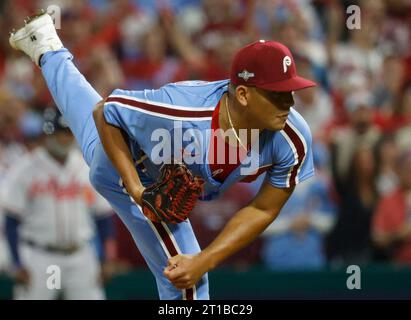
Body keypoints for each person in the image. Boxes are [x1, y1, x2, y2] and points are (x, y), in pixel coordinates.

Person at [9, 12, 315, 300]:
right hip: (131, 168)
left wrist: (206, 258)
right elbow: (107, 112)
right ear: (244, 95)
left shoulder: (292, 136)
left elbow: (262, 209)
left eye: (290, 90)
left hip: (133, 151)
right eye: (277, 94)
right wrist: (138, 191)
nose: (288, 101)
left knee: (82, 113)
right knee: (186, 278)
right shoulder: (181, 110)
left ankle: (46, 46)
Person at [1, 109, 115, 300]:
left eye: (68, 133)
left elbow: (102, 217)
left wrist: (107, 258)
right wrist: (17, 264)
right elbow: (12, 220)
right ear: (47, 135)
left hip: (80, 255)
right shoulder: (25, 168)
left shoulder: (85, 166)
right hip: (40, 257)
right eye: (59, 133)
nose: (64, 138)